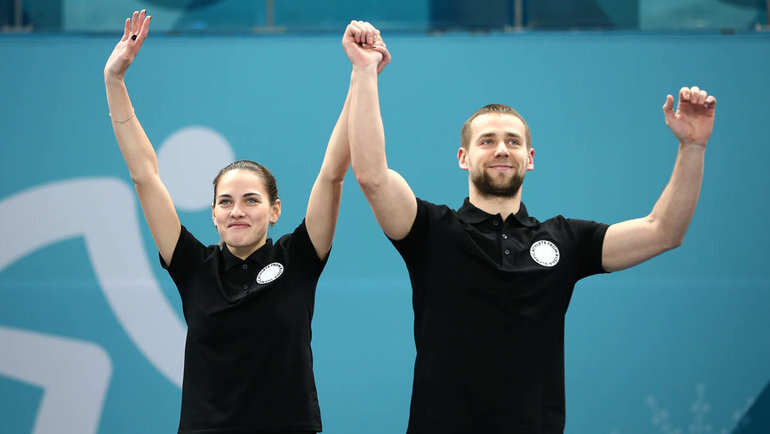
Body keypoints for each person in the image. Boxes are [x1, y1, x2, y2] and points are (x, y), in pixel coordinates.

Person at [344, 21, 716, 434]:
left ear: (530, 157)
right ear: (463, 158)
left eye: (513, 141)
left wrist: (693, 147)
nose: (502, 148)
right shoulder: (431, 230)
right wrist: (364, 71)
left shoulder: (567, 240)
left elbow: (664, 230)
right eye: (487, 141)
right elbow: (372, 176)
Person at [104, 11, 388, 434]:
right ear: (214, 214)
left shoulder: (300, 258)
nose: (237, 210)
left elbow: (332, 172)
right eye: (226, 202)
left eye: (251, 200)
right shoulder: (193, 267)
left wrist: (361, 74)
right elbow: (145, 175)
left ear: (275, 210)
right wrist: (115, 80)